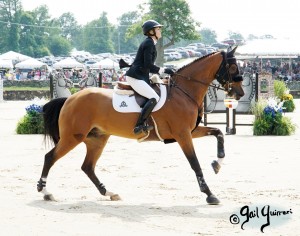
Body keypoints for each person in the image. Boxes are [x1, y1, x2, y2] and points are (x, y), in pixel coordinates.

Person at [125, 20, 175, 135]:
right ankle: (139, 125)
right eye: (158, 29)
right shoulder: (148, 43)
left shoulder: (150, 43)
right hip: (135, 76)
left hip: (140, 76)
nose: (160, 31)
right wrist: (163, 70)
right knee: (154, 97)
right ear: (151, 32)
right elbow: (148, 65)